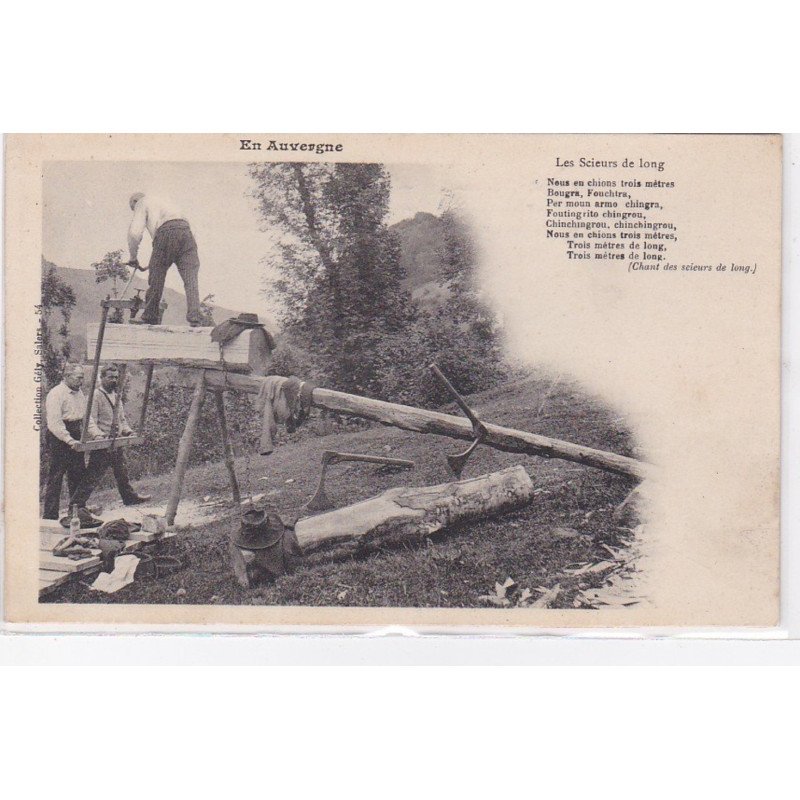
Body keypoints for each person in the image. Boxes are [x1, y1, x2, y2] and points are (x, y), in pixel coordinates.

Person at [70, 364, 152, 509]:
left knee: (122, 472)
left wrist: (127, 431)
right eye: (110, 377)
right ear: (101, 378)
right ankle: (76, 504)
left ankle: (129, 498)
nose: (114, 380)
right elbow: (90, 419)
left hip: (116, 442)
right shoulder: (95, 396)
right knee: (93, 476)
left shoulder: (116, 396)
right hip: (103, 444)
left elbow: (121, 420)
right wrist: (97, 435)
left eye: (116, 377)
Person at [127, 192, 203, 326]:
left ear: (134, 201)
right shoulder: (167, 201)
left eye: (132, 208)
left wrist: (133, 257)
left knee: (157, 277)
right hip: (187, 233)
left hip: (165, 232)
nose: (134, 210)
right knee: (190, 279)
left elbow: (134, 233)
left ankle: (150, 315)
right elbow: (188, 229)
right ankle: (195, 316)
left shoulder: (142, 202)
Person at [43, 363, 104, 521]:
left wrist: (97, 434)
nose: (81, 381)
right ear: (67, 376)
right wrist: (69, 440)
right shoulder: (56, 394)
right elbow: (55, 424)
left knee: (77, 474)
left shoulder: (79, 393)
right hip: (59, 437)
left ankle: (76, 514)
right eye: (78, 378)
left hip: (76, 433)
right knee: (56, 476)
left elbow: (86, 418)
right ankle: (50, 517)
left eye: (82, 378)